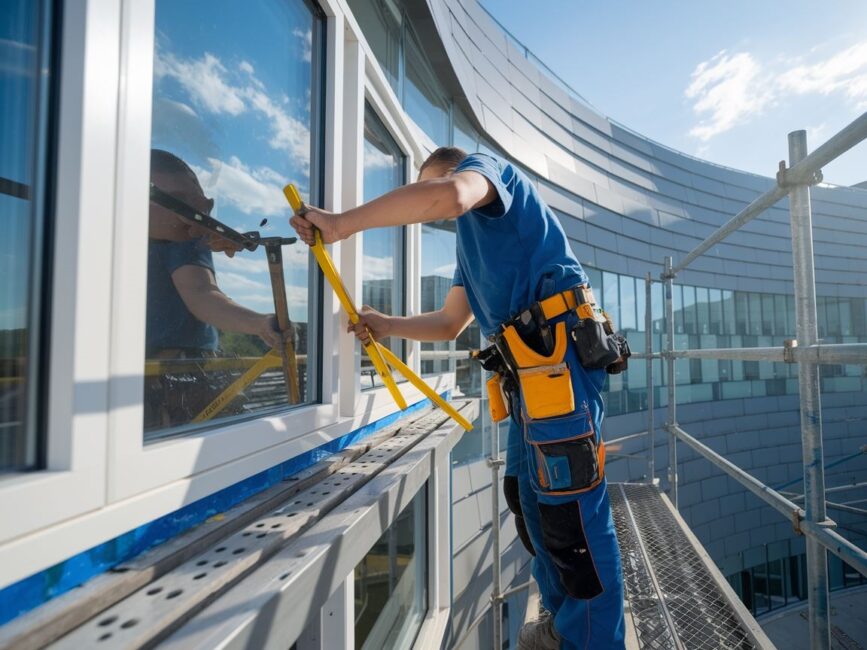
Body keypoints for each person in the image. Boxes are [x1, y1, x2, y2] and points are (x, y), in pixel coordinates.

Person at [290, 147, 626, 649]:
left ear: (454, 170)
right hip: (532, 383)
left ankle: (594, 643)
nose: (430, 208)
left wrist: (341, 225)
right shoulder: (470, 253)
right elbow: (450, 324)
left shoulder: (489, 173)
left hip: (561, 369)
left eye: (425, 184)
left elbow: (449, 197)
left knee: (572, 517)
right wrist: (387, 326)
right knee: (532, 505)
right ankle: (563, 626)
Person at [145, 149, 282, 429]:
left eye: (204, 208)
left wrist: (260, 323)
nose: (196, 220)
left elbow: (202, 294)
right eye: (179, 204)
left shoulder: (182, 243)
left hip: (184, 368)